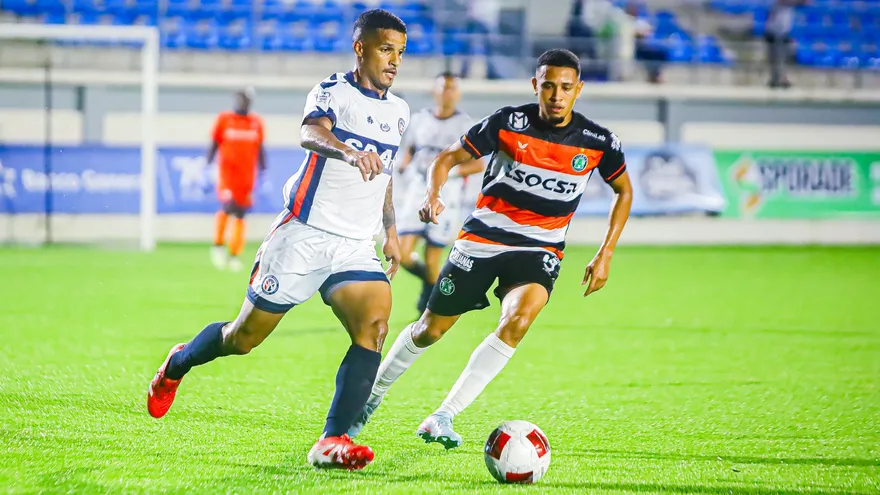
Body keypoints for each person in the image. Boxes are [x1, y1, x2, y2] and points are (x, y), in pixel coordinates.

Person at [146, 9, 409, 470]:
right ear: (360, 48)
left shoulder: (400, 110)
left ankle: (332, 440)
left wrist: (390, 230)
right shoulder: (332, 92)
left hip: (354, 245)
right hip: (303, 235)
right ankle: (178, 363)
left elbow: (382, 173)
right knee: (243, 338)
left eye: (401, 53)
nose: (394, 61)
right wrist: (349, 152)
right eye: (386, 49)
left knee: (375, 327)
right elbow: (311, 132)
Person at [348, 48, 634, 448]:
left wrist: (606, 252)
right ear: (536, 84)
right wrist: (434, 193)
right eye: (548, 86)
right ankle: (368, 398)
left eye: (566, 88)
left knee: (518, 320)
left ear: (578, 90)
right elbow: (446, 158)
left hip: (540, 249)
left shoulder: (597, 141)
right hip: (483, 239)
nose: (556, 95)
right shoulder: (508, 122)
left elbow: (624, 190)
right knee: (431, 330)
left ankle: (443, 415)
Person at [394, 72, 485, 313]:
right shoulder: (419, 119)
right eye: (443, 88)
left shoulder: (465, 125)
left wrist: (449, 172)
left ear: (458, 93)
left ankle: (429, 304)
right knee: (401, 252)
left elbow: (477, 164)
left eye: (452, 88)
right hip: (418, 189)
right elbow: (411, 148)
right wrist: (405, 163)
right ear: (434, 91)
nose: (447, 93)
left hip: (448, 194)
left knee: (433, 256)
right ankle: (435, 285)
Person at [207, 88, 266, 272]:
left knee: (241, 214)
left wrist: (264, 171)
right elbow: (214, 144)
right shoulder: (224, 120)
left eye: (245, 100)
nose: (242, 103)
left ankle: (234, 255)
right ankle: (217, 245)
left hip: (247, 177)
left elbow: (260, 149)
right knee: (228, 207)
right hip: (227, 175)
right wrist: (207, 165)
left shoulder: (256, 123)